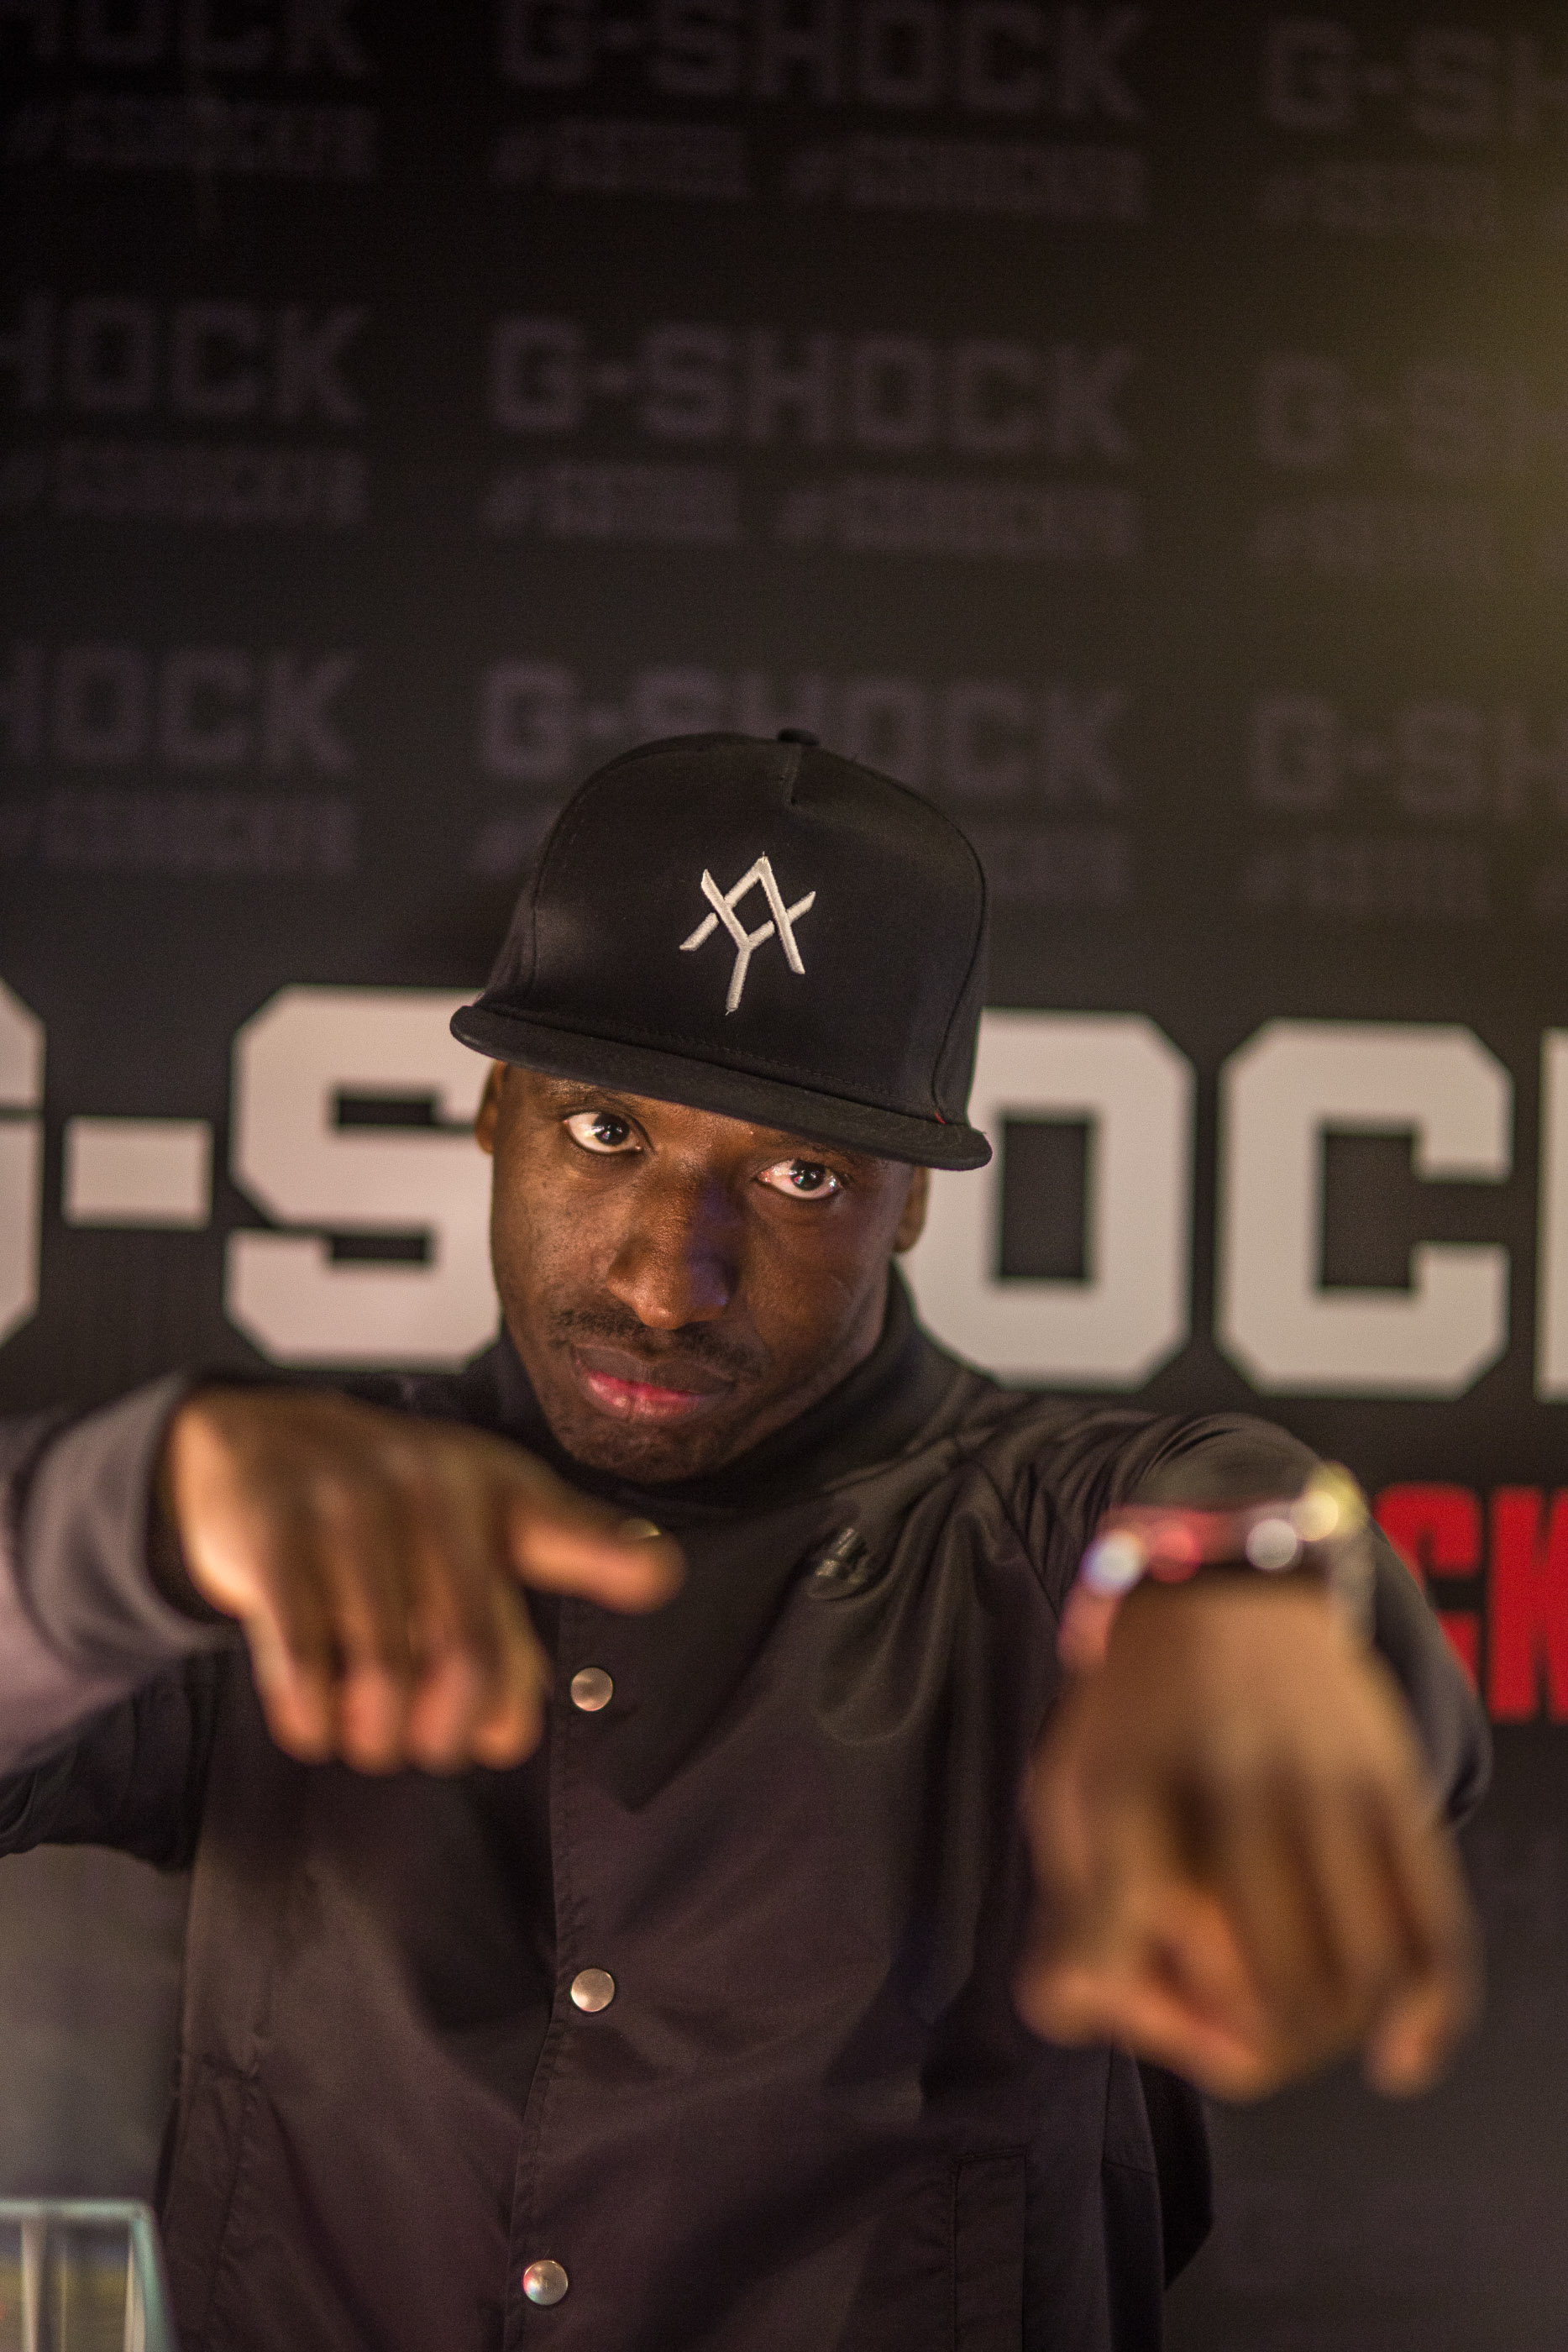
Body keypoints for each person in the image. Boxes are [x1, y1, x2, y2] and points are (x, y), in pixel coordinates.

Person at [0, 731, 1486, 2352]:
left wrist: (1239, 1598)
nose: (666, 1282)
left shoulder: (1030, 1535)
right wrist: (127, 1515)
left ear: (911, 1202)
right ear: (492, 1113)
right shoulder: (305, 1531)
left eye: (795, 1172)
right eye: (605, 1133)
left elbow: (1230, 1502)